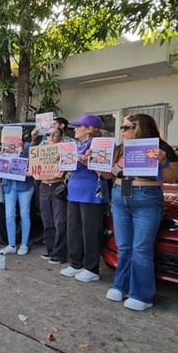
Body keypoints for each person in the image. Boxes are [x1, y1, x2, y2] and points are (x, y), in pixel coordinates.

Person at [103, 114, 178, 311]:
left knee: (141, 248)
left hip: (147, 195)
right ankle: (121, 285)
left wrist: (162, 162)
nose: (123, 130)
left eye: (128, 127)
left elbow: (172, 178)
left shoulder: (161, 147)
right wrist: (101, 163)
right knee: (124, 245)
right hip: (120, 194)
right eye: (123, 127)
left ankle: (142, 295)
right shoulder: (120, 148)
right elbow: (108, 173)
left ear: (141, 128)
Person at [59, 114, 110, 283]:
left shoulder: (100, 145)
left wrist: (88, 161)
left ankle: (91, 267)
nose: (75, 129)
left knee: (90, 231)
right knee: (73, 228)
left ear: (90, 129)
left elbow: (106, 171)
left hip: (91, 193)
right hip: (74, 191)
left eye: (79, 126)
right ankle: (76, 263)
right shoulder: (75, 145)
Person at [0, 140, 35, 256]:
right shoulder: (4, 149)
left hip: (25, 185)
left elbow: (33, 161)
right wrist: (0, 157)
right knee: (9, 215)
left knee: (24, 213)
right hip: (9, 185)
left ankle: (24, 244)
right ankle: (11, 245)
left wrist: (22, 150)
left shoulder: (27, 147)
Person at [38, 127, 68, 264]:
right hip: (44, 187)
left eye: (54, 133)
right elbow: (33, 166)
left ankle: (59, 254)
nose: (51, 136)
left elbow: (70, 167)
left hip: (58, 187)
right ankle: (50, 251)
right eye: (48, 134)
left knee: (60, 222)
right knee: (47, 221)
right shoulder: (40, 150)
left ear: (61, 136)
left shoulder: (65, 150)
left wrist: (64, 169)